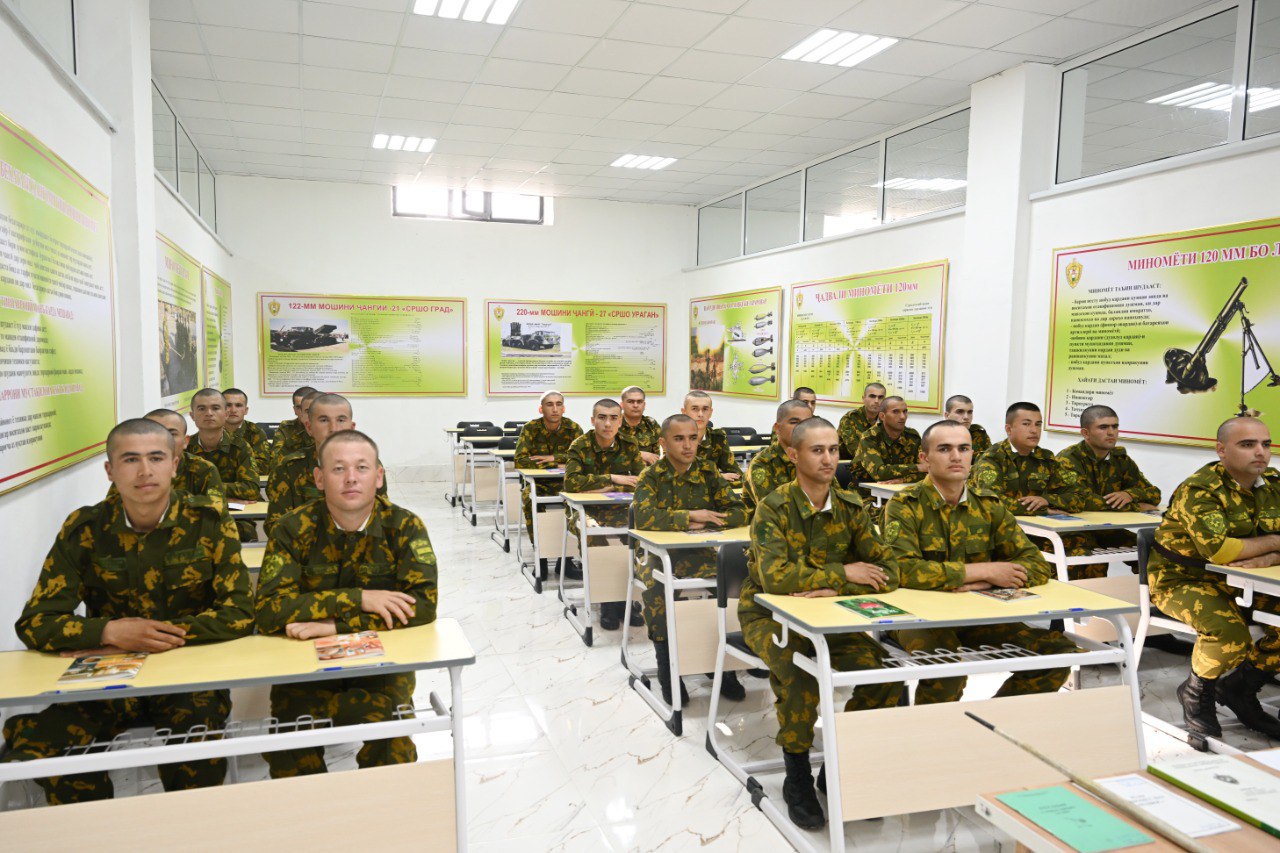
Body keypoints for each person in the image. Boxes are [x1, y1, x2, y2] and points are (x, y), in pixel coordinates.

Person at [1, 418, 254, 803]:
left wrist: (151, 636)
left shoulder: (207, 521)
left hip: (187, 677)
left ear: (174, 464)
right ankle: (96, 827)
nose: (145, 471)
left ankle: (188, 827)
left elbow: (239, 612)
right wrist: (110, 632)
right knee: (42, 743)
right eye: (130, 459)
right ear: (110, 470)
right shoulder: (86, 528)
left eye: (156, 458)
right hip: (107, 676)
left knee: (197, 755)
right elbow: (36, 622)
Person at [740, 417, 902, 830]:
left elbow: (888, 571)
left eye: (833, 450)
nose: (829, 459)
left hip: (830, 616)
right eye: (817, 450)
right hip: (769, 614)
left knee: (883, 674)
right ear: (793, 454)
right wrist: (844, 573)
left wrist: (834, 587)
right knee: (798, 672)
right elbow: (775, 579)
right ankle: (796, 777)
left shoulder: (851, 506)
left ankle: (838, 764)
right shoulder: (774, 507)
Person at [255, 429, 439, 776]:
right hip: (304, 666)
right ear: (319, 478)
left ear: (379, 476)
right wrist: (359, 598)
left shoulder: (404, 526)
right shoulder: (292, 528)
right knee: (290, 749)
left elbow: (422, 606)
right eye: (338, 469)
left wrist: (335, 626)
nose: (351, 478)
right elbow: (268, 611)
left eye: (362, 468)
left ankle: (381, 807)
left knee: (393, 744)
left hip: (381, 665)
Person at [886, 420, 1078, 704]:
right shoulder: (905, 505)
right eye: (945, 449)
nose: (956, 456)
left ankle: (994, 722)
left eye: (964, 448)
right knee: (947, 668)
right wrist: (984, 570)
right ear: (925, 459)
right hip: (918, 617)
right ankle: (931, 730)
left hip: (978, 614)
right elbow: (902, 569)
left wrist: (986, 581)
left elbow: (1036, 564)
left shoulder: (988, 505)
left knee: (1058, 652)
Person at [1148, 416, 1280, 743]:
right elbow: (1220, 551)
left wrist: (1269, 556)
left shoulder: (1274, 483)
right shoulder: (1200, 489)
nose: (1260, 452)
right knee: (1229, 633)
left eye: (1265, 444)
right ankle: (1196, 692)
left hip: (1245, 580)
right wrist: (1275, 541)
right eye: (1247, 444)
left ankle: (1239, 687)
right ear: (1221, 450)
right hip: (1182, 579)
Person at [633, 414, 748, 703]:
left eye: (693, 438)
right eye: (679, 439)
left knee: (733, 583)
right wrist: (690, 517)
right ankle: (667, 668)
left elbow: (738, 511)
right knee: (658, 590)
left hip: (702, 552)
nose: (687, 445)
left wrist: (706, 521)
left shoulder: (708, 471)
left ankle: (721, 665)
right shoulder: (651, 476)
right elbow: (643, 517)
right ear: (663, 443)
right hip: (658, 555)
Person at [564, 398, 645, 630]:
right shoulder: (579, 445)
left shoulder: (629, 444)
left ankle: (626, 598)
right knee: (595, 538)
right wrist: (613, 479)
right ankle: (607, 602)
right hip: (584, 510)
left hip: (620, 508)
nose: (607, 424)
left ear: (620, 421)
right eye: (602, 418)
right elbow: (571, 484)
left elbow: (640, 482)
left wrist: (601, 487)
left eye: (613, 418)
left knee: (638, 536)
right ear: (593, 420)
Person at [1055, 405, 1162, 579]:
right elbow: (1082, 501)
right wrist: (1135, 506)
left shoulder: (1121, 459)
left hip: (1105, 529)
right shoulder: (1068, 459)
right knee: (1090, 560)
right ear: (1085, 433)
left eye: (1115, 426)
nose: (1111, 432)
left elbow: (1153, 493)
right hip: (1073, 530)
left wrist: (1130, 495)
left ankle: (1149, 593)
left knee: (1153, 550)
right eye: (1103, 427)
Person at [266, 393, 386, 533]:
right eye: (324, 420)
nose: (333, 428)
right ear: (309, 427)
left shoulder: (369, 465)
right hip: (306, 545)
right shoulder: (289, 467)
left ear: (352, 427)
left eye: (341, 420)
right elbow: (275, 525)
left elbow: (382, 517)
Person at [971, 402, 1087, 518]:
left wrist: (1047, 500)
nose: (1034, 430)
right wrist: (1041, 510)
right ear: (1009, 429)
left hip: (1036, 524)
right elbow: (990, 503)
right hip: (997, 524)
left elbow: (1078, 497)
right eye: (1026, 424)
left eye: (1038, 424)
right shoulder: (992, 458)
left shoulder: (1046, 458)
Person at [189, 388, 261, 540]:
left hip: (233, 516)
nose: (209, 413)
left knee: (244, 532)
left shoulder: (240, 447)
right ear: (192, 415)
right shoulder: (185, 448)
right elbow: (175, 492)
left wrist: (203, 491)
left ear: (226, 414)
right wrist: (223, 497)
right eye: (201, 409)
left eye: (215, 408)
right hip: (193, 514)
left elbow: (251, 489)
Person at [514, 390, 583, 544]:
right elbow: (520, 461)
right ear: (541, 409)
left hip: (567, 483)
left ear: (564, 408)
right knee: (529, 497)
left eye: (559, 404)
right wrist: (558, 464)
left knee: (583, 502)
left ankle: (572, 550)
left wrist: (554, 458)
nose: (555, 409)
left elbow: (582, 459)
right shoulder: (531, 428)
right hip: (538, 483)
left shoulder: (574, 428)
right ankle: (540, 549)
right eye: (549, 405)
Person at [110, 408, 223, 501]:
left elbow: (215, 513)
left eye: (171, 434)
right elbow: (112, 511)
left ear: (185, 441)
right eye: (153, 433)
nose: (162, 440)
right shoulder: (131, 470)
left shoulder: (204, 470)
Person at [744, 400, 812, 515]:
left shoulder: (816, 459)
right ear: (777, 428)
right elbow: (775, 512)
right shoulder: (762, 463)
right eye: (794, 422)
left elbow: (837, 501)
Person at [854, 396, 925, 484]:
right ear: (882, 416)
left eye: (905, 411)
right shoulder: (869, 437)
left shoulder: (912, 436)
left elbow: (927, 470)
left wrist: (903, 480)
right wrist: (917, 467)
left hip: (901, 487)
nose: (902, 417)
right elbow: (880, 473)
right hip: (866, 489)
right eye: (896, 412)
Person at [681, 389, 740, 480]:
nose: (700, 414)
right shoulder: (673, 439)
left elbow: (736, 473)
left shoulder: (717, 438)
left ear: (710, 412)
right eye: (694, 409)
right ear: (684, 412)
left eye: (705, 409)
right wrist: (716, 477)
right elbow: (674, 478)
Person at [223, 387, 272, 475]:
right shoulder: (210, 431)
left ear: (246, 410)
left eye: (238, 405)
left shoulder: (255, 432)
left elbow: (263, 466)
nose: (233, 410)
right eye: (228, 405)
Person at [271, 388, 323, 469]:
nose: (303, 412)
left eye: (310, 409)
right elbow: (275, 462)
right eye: (299, 407)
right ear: (295, 410)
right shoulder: (286, 428)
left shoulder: (331, 428)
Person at [837, 382, 885, 461]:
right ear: (863, 398)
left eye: (880, 397)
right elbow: (856, 451)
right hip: (847, 464)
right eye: (872, 396)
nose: (876, 401)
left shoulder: (885, 420)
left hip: (876, 463)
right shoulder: (850, 418)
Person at [618, 385, 661, 465]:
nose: (635, 405)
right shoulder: (613, 423)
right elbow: (606, 454)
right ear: (622, 405)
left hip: (646, 471)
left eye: (639, 402)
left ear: (644, 405)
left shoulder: (651, 424)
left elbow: (655, 457)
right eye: (631, 401)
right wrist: (639, 454)